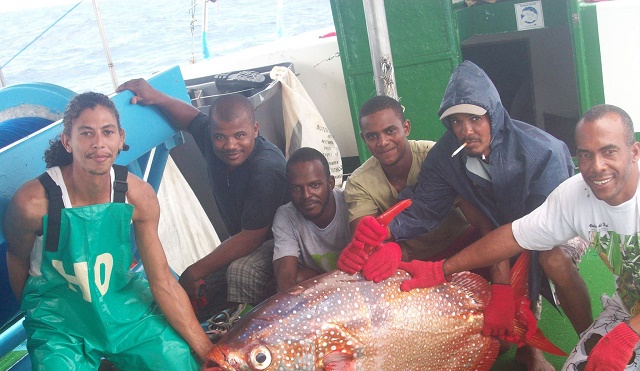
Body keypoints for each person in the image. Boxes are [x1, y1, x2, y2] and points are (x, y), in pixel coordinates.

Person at [3, 93, 249, 371]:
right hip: (59, 317)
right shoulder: (34, 202)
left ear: (121, 139)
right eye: (86, 133)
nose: (98, 143)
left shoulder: (137, 194)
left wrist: (204, 349)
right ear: (68, 142)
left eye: (107, 132)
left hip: (121, 303)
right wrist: (41, 325)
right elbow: (18, 262)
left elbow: (162, 280)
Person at [339, 61, 591, 371]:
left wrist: (505, 284)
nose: (467, 130)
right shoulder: (446, 156)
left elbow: (542, 228)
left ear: (494, 115)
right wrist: (382, 232)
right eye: (456, 121)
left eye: (475, 118)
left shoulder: (544, 151)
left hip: (555, 226)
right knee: (506, 294)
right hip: (503, 231)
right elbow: (425, 206)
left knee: (550, 260)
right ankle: (527, 345)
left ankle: (590, 341)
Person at [394, 104, 640, 371]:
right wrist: (441, 269)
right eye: (586, 155)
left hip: (634, 322)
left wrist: (627, 335)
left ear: (634, 152)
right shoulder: (575, 194)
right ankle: (595, 338)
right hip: (632, 302)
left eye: (608, 152)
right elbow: (512, 236)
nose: (596, 166)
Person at [117, 79, 287, 319]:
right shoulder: (211, 137)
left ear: (255, 129)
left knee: (239, 272)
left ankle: (254, 324)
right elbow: (191, 118)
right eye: (220, 137)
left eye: (240, 135)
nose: (230, 145)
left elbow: (251, 238)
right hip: (242, 239)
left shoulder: (266, 169)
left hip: (277, 245)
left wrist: (194, 271)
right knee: (191, 293)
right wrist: (157, 96)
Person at [343, 95, 470, 264]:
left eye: (390, 131)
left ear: (406, 127)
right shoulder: (359, 182)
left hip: (461, 246)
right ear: (363, 138)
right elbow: (365, 244)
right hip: (406, 259)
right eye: (372, 136)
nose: (383, 142)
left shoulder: (435, 156)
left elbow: (477, 215)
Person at [272, 147, 350, 292]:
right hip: (320, 286)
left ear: (331, 183)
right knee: (299, 278)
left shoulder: (350, 202)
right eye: (296, 188)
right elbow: (285, 279)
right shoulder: (285, 216)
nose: (306, 195)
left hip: (356, 280)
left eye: (314, 185)